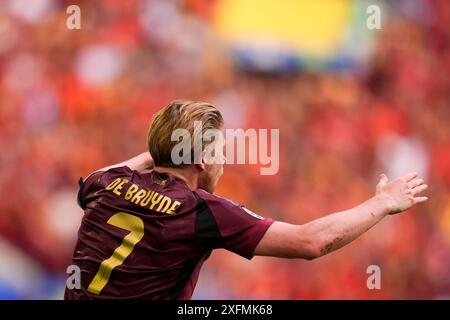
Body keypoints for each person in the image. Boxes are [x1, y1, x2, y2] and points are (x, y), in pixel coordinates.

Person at [65, 100, 428, 299]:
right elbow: (311, 242)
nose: (224, 161)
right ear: (203, 159)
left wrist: (170, 145)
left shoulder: (106, 182)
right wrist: (380, 204)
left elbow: (115, 170)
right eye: (221, 151)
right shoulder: (201, 210)